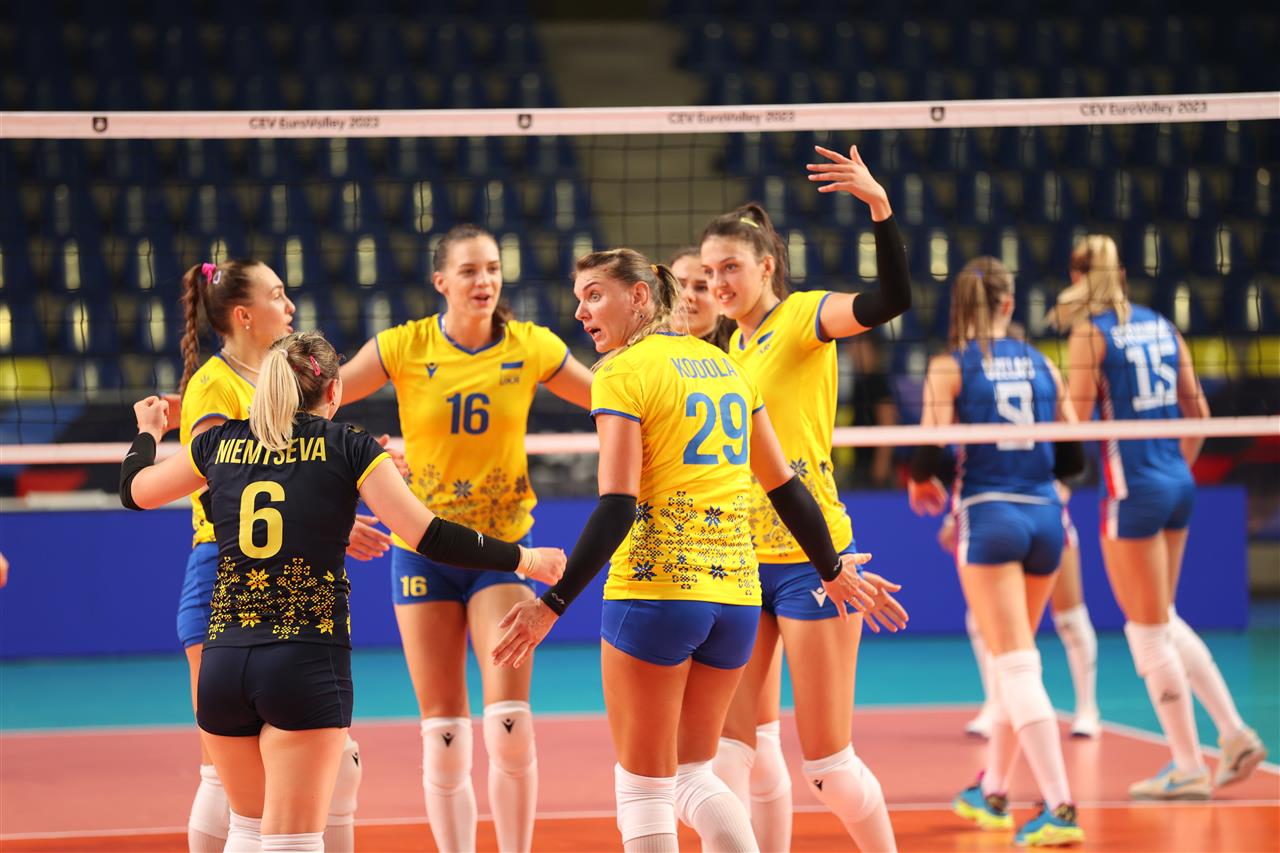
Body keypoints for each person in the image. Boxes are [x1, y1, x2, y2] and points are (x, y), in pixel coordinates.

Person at [491, 249, 906, 853]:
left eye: (594, 295)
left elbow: (617, 505)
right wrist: (831, 566)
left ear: (639, 296)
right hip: (735, 600)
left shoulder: (621, 372)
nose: (580, 311)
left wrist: (550, 603)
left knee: (643, 791)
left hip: (657, 592)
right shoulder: (725, 365)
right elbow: (786, 486)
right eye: (578, 298)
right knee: (693, 776)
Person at [120, 331, 566, 853]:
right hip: (302, 661)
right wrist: (526, 559)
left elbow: (134, 492)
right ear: (334, 391)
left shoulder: (216, 444)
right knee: (294, 840)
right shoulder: (350, 446)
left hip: (224, 661)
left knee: (247, 828)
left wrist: (149, 432)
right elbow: (429, 535)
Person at [337, 223, 593, 852]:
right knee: (444, 736)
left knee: (508, 726)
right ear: (441, 281)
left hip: (504, 552)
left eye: (493, 269)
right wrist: (362, 456)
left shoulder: (530, 345)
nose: (485, 281)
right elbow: (319, 402)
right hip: (422, 551)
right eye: (470, 270)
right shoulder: (404, 346)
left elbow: (612, 399)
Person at [700, 145, 911, 853]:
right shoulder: (727, 352)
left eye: (732, 267)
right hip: (740, 561)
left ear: (766, 266)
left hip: (811, 559)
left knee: (828, 768)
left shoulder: (802, 317)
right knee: (731, 755)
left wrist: (879, 207)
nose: (719, 282)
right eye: (710, 271)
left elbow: (889, 302)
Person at [175, 259, 395, 852]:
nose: (290, 305)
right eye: (276, 294)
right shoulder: (215, 386)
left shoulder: (271, 378)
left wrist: (337, 499)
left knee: (335, 765)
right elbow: (224, 481)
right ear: (243, 315)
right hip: (226, 570)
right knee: (224, 777)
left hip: (271, 569)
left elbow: (278, 478)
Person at [1050, 234, 1267, 799]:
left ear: (1077, 277)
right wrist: (1176, 468)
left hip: (1134, 492)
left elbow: (1076, 425)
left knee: (1145, 632)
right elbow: (1200, 412)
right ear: (1122, 273)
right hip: (1176, 484)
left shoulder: (1089, 335)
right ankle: (1234, 734)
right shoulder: (1163, 326)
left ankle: (1188, 765)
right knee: (1162, 618)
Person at [909, 257, 1085, 846]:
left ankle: (1061, 807)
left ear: (957, 307)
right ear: (1010, 304)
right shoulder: (1043, 363)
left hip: (990, 517)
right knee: (1019, 660)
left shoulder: (949, 365)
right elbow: (1073, 458)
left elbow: (930, 448)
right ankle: (994, 792)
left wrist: (920, 482)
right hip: (1046, 520)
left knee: (1013, 663)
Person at [941, 486, 1101, 741]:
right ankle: (995, 704)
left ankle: (1087, 709)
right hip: (989, 521)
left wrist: (1061, 485)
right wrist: (953, 516)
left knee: (1070, 618)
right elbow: (967, 470)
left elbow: (1072, 466)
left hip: (1044, 514)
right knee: (985, 619)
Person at [670, 247, 736, 349]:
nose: (687, 295)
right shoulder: (644, 350)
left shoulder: (740, 354)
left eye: (702, 288)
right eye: (677, 285)